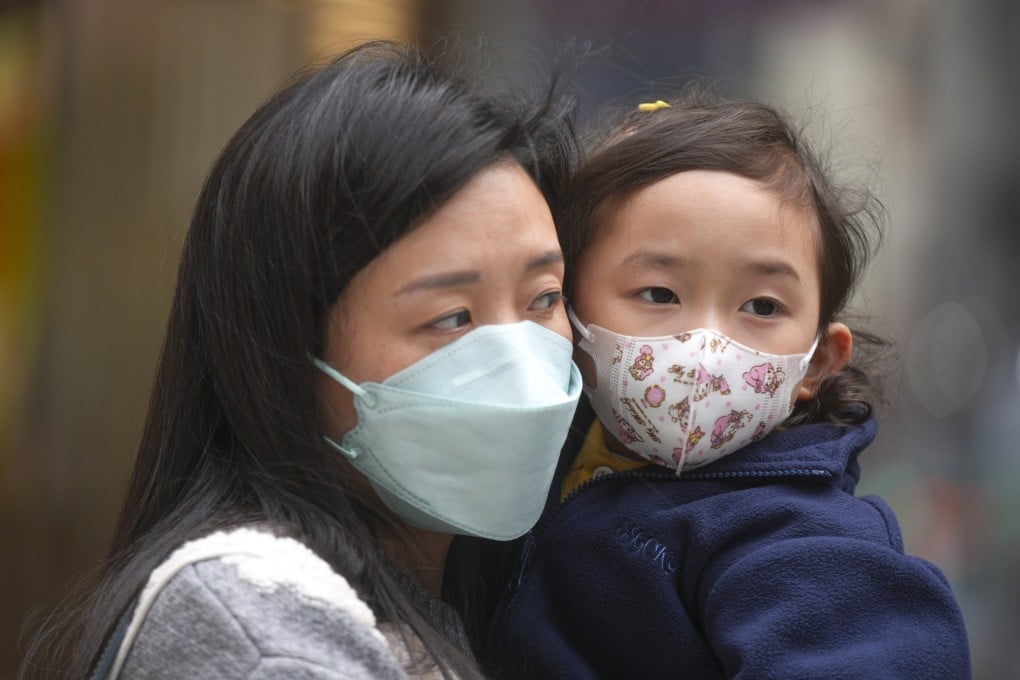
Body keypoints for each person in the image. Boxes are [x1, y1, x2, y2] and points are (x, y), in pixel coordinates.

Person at [19, 41, 583, 680]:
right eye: (452, 317)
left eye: (545, 299)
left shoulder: (513, 594)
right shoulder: (254, 625)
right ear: (287, 346)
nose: (519, 358)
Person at [486, 91, 972, 678]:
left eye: (762, 306)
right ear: (567, 309)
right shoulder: (529, 451)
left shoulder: (800, 541)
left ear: (817, 363)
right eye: (659, 294)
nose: (705, 348)